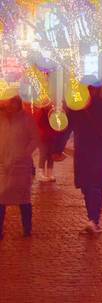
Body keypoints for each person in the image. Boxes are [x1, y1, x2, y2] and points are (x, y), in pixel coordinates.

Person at [66, 86, 102, 234]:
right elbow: (68, 127)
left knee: (93, 187)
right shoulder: (78, 107)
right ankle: (92, 219)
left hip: (93, 152)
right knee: (89, 187)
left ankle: (94, 219)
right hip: (90, 152)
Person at [0, 92, 40, 240]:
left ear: (18, 104)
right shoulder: (1, 119)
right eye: (8, 102)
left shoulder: (26, 119)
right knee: (1, 198)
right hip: (3, 165)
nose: (10, 106)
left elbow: (35, 139)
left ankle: (27, 228)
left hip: (21, 166)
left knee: (23, 198)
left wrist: (24, 153)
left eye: (13, 102)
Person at [35, 103, 64, 182]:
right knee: (43, 154)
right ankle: (41, 173)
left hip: (52, 136)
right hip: (43, 137)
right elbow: (38, 122)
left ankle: (49, 172)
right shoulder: (41, 111)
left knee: (51, 155)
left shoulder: (53, 112)